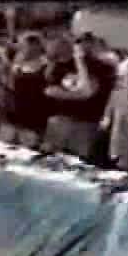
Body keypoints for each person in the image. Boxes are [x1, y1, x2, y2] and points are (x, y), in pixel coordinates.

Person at [41, 32, 116, 163]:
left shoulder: (100, 66)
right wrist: (76, 94)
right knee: (50, 160)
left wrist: (79, 62)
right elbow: (50, 91)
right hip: (60, 121)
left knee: (79, 163)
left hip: (86, 124)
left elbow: (87, 91)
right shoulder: (57, 66)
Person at [0, 31, 49, 148]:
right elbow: (9, 87)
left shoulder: (46, 66)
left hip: (33, 122)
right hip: (11, 119)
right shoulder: (17, 65)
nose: (20, 48)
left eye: (23, 45)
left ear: (35, 46)